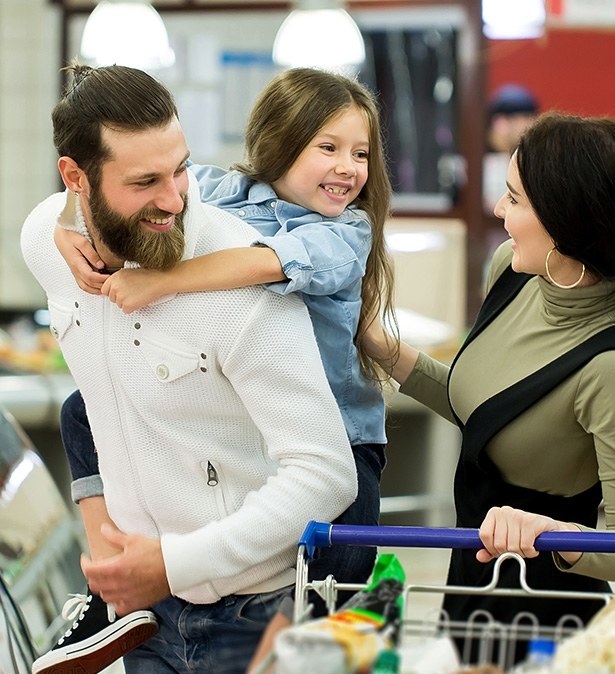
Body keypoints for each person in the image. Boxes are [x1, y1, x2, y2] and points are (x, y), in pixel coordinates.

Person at [44, 67, 398, 672]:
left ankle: (346, 625)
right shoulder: (221, 191)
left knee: (335, 575)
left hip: (345, 433)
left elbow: (268, 265)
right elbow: (95, 200)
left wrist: (163, 280)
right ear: (278, 145)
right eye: (329, 148)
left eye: (360, 153)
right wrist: (62, 228)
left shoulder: (346, 230)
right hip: (249, 427)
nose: (348, 167)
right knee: (80, 410)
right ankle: (112, 583)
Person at [365, 112, 615, 639]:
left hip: (545, 614)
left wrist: (553, 532)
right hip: (469, 586)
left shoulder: (611, 370)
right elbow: (480, 408)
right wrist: (379, 346)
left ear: (567, 220)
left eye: (515, 198)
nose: (499, 210)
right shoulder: (513, 272)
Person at [483, 84, 540, 211]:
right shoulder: (473, 164)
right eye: (525, 117)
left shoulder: (530, 161)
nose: (531, 124)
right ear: (501, 122)